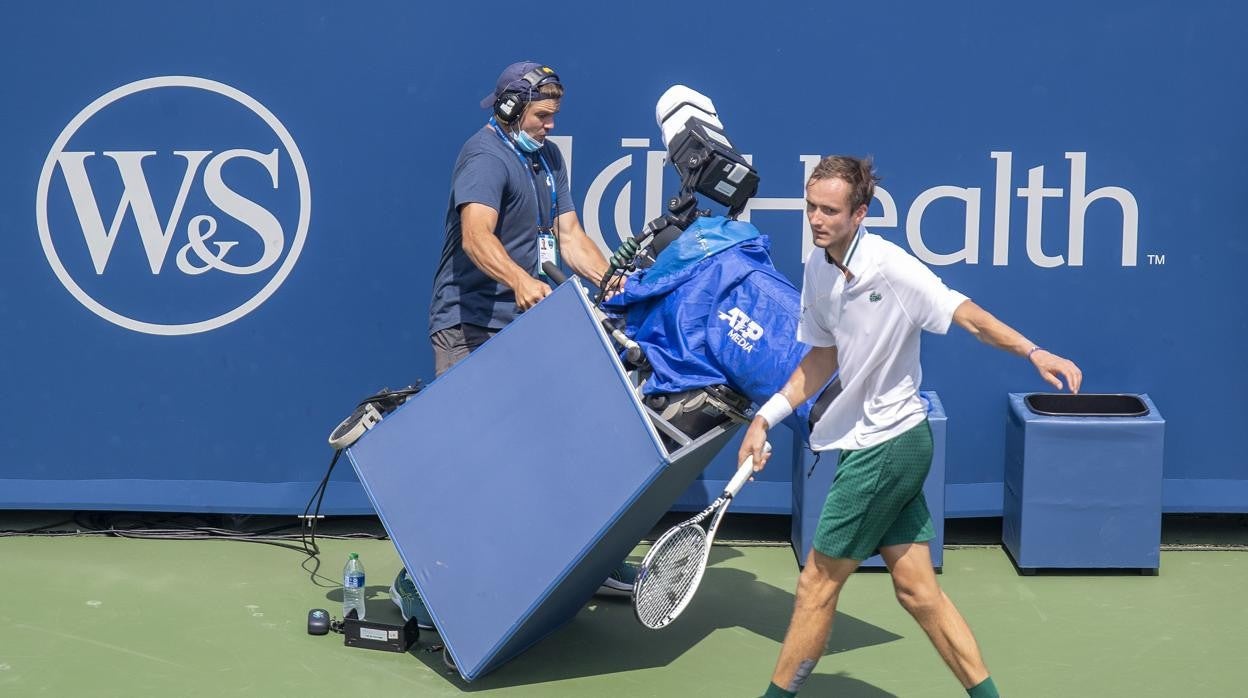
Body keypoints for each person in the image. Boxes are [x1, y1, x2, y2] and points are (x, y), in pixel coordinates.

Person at [739, 155, 1083, 698]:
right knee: (919, 591)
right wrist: (766, 416)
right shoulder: (817, 266)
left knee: (816, 584)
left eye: (830, 210)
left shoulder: (891, 267)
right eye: (811, 207)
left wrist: (1032, 350)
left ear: (861, 213)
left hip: (887, 445)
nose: (816, 219)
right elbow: (821, 358)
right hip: (877, 445)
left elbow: (965, 313)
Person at [391, 61, 635, 634]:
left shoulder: (548, 159)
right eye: (542, 114)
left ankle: (582, 566)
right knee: (467, 463)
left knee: (565, 445)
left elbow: (571, 237)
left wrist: (613, 284)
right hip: (469, 326)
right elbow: (477, 236)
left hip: (529, 328)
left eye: (554, 115)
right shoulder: (484, 156)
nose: (551, 125)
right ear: (508, 109)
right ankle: (422, 581)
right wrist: (521, 280)